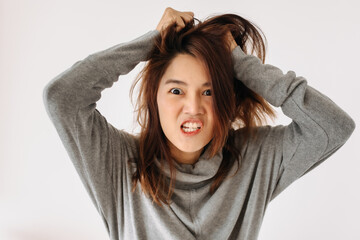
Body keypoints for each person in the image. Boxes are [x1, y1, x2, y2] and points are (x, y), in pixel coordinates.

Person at [43, 7, 355, 240]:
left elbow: (333, 127)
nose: (193, 108)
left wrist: (239, 63)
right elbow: (62, 97)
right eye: (176, 90)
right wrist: (150, 43)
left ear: (224, 99)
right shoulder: (119, 164)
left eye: (209, 91)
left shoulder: (255, 159)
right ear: (154, 99)